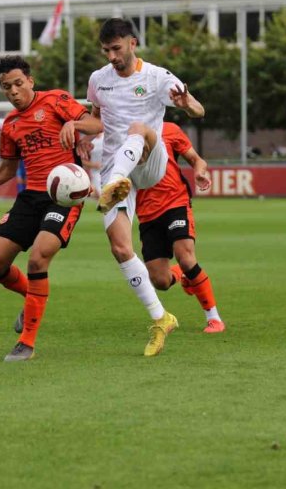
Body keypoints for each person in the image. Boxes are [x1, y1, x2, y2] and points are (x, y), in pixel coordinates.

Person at [0, 55, 101, 362]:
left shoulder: (56, 101)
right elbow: (6, 170)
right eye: (7, 87)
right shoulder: (10, 125)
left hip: (64, 196)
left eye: (19, 83)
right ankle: (33, 296)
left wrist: (74, 123)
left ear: (30, 80)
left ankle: (26, 342)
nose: (14, 91)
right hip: (30, 197)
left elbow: (97, 123)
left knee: (38, 258)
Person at [80, 18, 205, 357]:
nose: (111, 56)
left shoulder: (158, 77)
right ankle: (161, 319)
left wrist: (187, 105)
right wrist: (77, 128)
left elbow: (197, 108)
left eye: (116, 49)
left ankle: (117, 181)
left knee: (140, 128)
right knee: (120, 248)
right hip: (114, 170)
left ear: (132, 43)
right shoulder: (98, 81)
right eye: (105, 50)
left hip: (150, 162)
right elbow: (96, 119)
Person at [134, 122, 225, 333]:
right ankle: (183, 274)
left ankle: (214, 318)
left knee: (185, 256)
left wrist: (200, 172)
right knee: (161, 281)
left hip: (175, 202)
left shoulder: (169, 129)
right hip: (147, 213)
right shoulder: (124, 134)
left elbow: (196, 159)